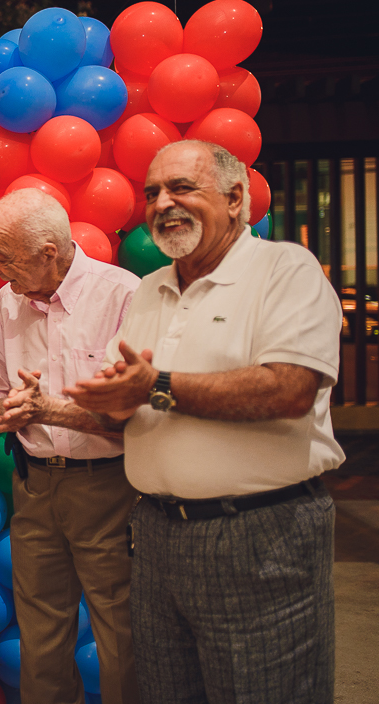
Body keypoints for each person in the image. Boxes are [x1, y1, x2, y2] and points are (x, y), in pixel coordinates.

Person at [67, 140, 345, 704]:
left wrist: (157, 386)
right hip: (156, 534)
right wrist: (103, 406)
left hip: (260, 535)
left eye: (181, 188)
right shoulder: (150, 288)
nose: (162, 204)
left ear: (235, 198)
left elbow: (291, 388)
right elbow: (132, 406)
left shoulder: (285, 270)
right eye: (152, 193)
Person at [0, 188, 142, 704]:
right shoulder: (7, 301)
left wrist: (48, 409)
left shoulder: (123, 295)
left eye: (3, 256)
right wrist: (8, 412)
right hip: (33, 484)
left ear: (48, 252)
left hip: (109, 488)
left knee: (122, 631)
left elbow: (140, 414)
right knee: (40, 634)